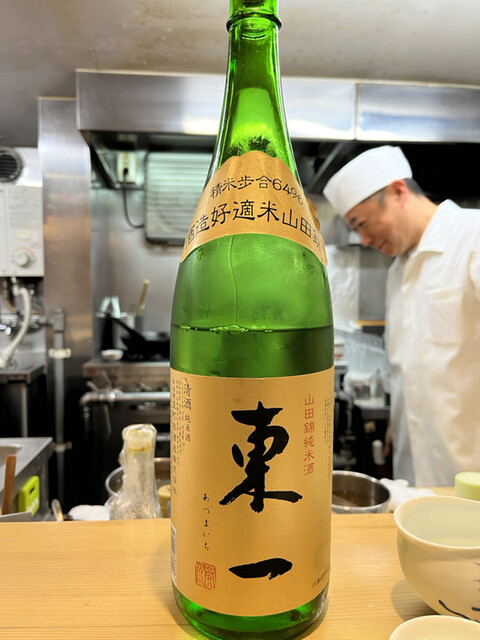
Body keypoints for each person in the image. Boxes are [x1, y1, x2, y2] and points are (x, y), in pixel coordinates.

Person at [323, 145, 480, 486]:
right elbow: (410, 364)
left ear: (398, 191)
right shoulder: (398, 271)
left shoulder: (472, 238)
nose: (365, 240)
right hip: (414, 467)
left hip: (469, 464)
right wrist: (398, 420)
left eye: (362, 224)